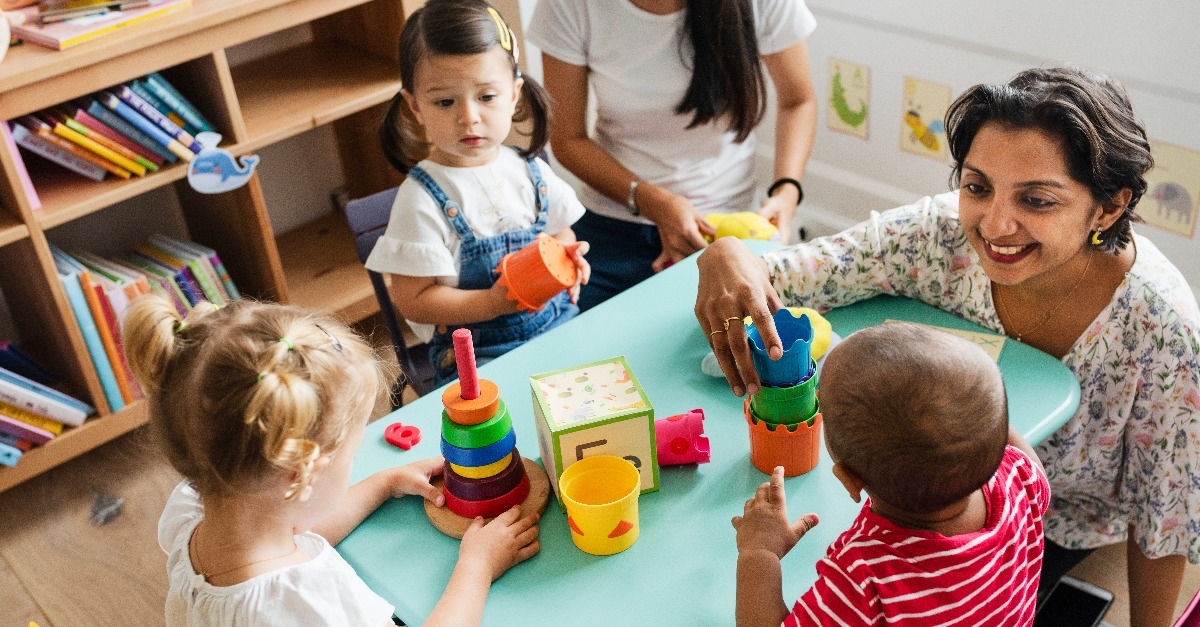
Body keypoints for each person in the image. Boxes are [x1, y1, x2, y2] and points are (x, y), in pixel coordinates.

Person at [698, 67, 1200, 626]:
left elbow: (1167, 512)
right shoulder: (936, 236)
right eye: (977, 186)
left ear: (1107, 208)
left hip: (1055, 521)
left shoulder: (1163, 326)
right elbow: (792, 274)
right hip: (948, 498)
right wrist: (726, 255)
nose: (995, 225)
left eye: (1036, 200)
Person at [123, 296, 541, 625]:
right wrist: (477, 566)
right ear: (300, 474)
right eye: (352, 452)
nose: (355, 460)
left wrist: (382, 482)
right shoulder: (305, 603)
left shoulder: (194, 514)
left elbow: (295, 527)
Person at [733, 322, 1049, 625]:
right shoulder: (1020, 480)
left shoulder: (865, 580)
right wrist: (968, 413)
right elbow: (1009, 445)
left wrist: (760, 551)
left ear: (849, 479)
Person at [527, 0, 819, 311]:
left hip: (727, 229)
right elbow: (568, 139)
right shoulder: (570, 6)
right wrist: (653, 201)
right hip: (611, 227)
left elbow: (798, 101)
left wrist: (787, 191)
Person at [368, 0, 590, 384]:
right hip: (479, 358)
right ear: (415, 106)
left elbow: (560, 232)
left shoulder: (530, 169)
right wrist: (492, 302)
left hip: (558, 327)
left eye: (486, 97)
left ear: (514, 93)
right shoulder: (420, 199)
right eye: (444, 101)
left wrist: (564, 257)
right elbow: (414, 300)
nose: (468, 116)